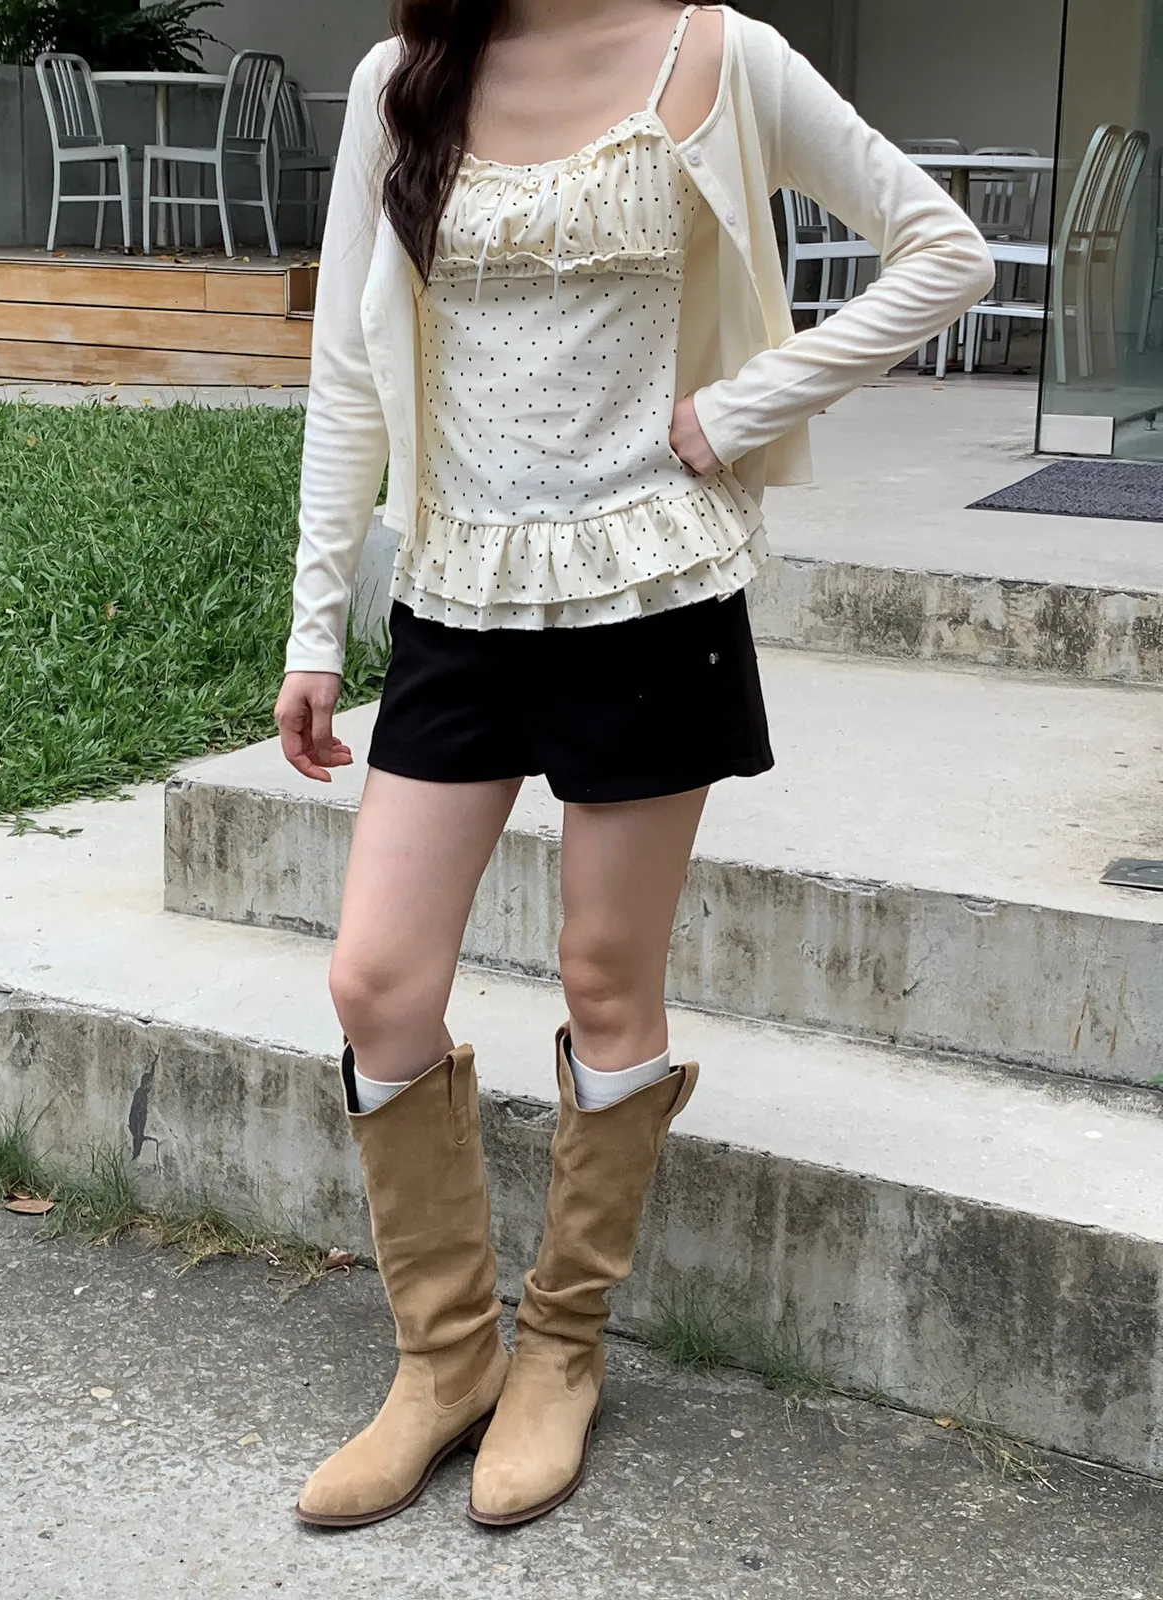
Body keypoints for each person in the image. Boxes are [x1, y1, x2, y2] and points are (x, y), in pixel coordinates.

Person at [276, 0, 993, 1530]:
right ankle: (443, 1361)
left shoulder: (719, 57)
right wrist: (313, 626)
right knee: (375, 982)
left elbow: (945, 252)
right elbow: (347, 364)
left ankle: (559, 1352)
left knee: (608, 982)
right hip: (458, 592)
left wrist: (740, 408)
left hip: (651, 592)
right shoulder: (406, 78)